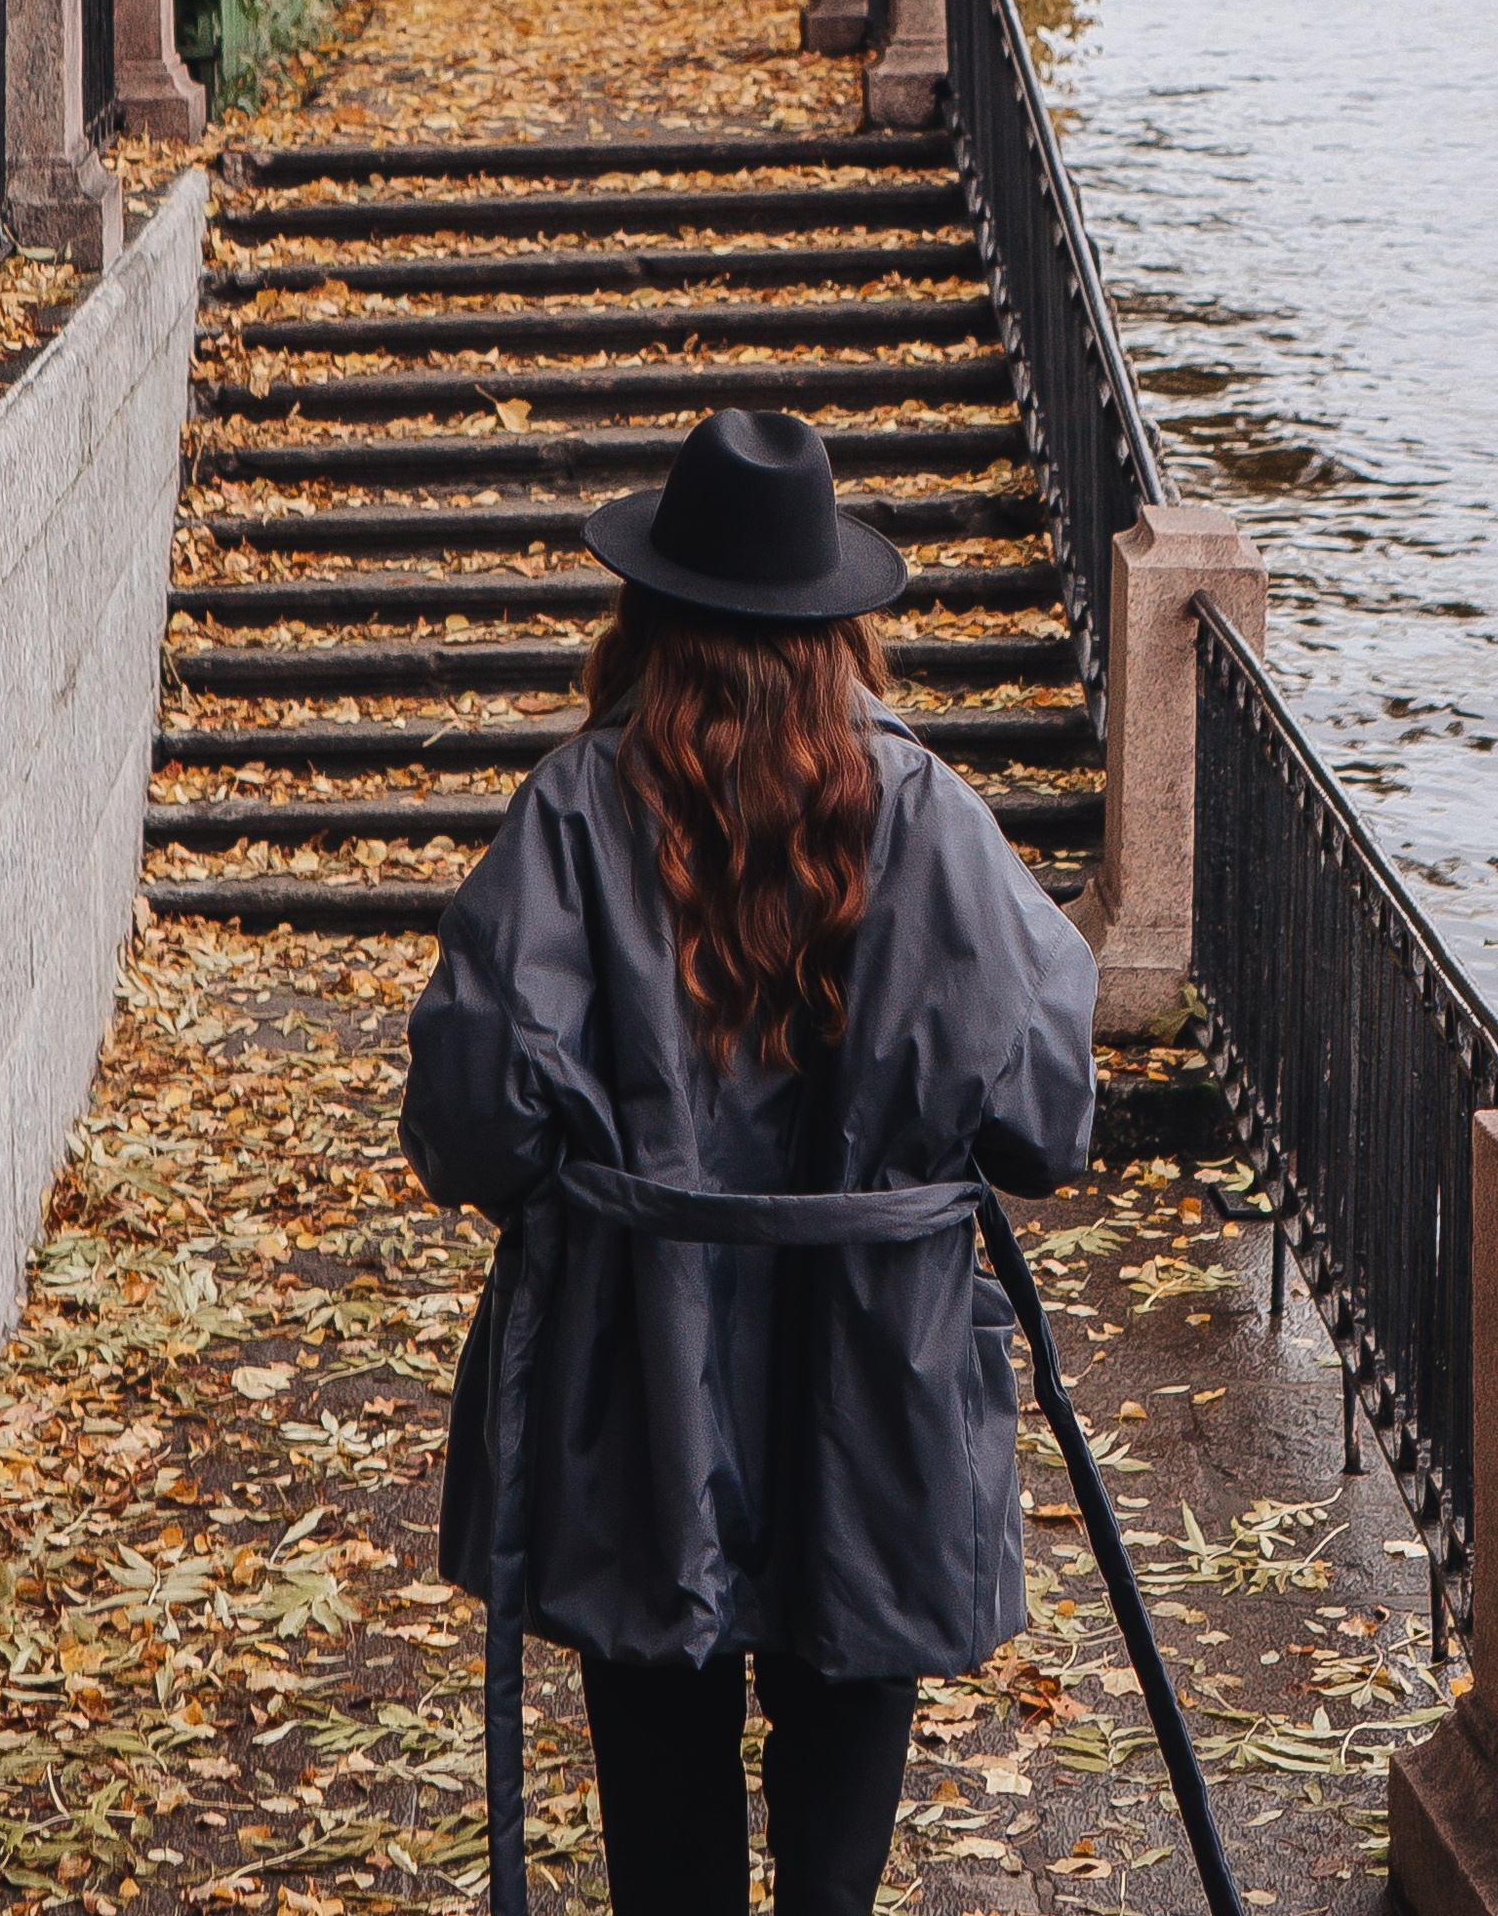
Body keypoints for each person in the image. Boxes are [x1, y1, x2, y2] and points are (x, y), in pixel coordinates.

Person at [401, 404, 1098, 1916]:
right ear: (839, 632)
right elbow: (1045, 1115)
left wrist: (587, 1184)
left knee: (667, 1850)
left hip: (639, 1388)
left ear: (648, 617)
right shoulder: (930, 816)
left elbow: (470, 1113)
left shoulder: (576, 809)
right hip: (878, 1384)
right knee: (836, 1867)